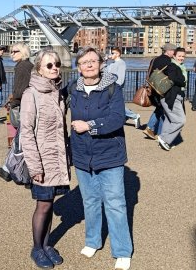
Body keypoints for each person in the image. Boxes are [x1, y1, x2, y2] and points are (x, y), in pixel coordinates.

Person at [68, 46, 132, 270]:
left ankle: (122, 250)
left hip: (110, 155)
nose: (88, 65)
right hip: (82, 155)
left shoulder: (112, 88)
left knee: (115, 204)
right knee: (90, 201)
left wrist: (90, 126)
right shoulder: (73, 88)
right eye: (84, 62)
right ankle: (93, 241)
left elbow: (117, 118)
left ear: (101, 64)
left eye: (93, 61)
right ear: (78, 67)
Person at [20, 49, 70, 269]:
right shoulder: (31, 94)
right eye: (49, 65)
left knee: (49, 204)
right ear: (39, 68)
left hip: (57, 159)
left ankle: (47, 244)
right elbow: (26, 132)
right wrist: (35, 166)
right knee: (42, 205)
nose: (54, 68)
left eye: (57, 64)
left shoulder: (56, 92)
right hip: (41, 160)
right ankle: (37, 248)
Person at [0, 42, 33, 182]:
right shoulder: (27, 65)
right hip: (27, 106)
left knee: (20, 142)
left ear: (23, 52)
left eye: (15, 51)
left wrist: (12, 101)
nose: (11, 54)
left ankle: (17, 172)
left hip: (24, 108)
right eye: (11, 51)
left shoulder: (22, 67)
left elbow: (21, 89)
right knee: (19, 140)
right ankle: (7, 168)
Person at [143, 43, 176, 139]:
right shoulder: (168, 61)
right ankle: (154, 130)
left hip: (153, 87)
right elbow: (170, 75)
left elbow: (150, 72)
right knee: (163, 108)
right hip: (162, 88)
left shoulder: (154, 59)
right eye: (173, 51)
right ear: (168, 51)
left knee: (160, 108)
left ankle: (155, 131)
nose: (174, 53)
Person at [157, 47, 187, 151]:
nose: (181, 58)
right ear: (174, 56)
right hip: (172, 96)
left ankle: (164, 141)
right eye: (179, 56)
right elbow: (174, 79)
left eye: (183, 56)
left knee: (169, 119)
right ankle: (164, 139)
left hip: (171, 96)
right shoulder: (173, 66)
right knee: (180, 120)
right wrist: (183, 81)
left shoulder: (180, 66)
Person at [106, 47, 141, 128]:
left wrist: (116, 87)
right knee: (114, 104)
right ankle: (127, 117)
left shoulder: (121, 63)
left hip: (115, 87)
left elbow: (121, 78)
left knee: (117, 104)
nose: (111, 55)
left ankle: (134, 116)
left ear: (118, 54)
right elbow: (105, 72)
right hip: (109, 87)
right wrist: (105, 61)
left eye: (112, 53)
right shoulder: (112, 64)